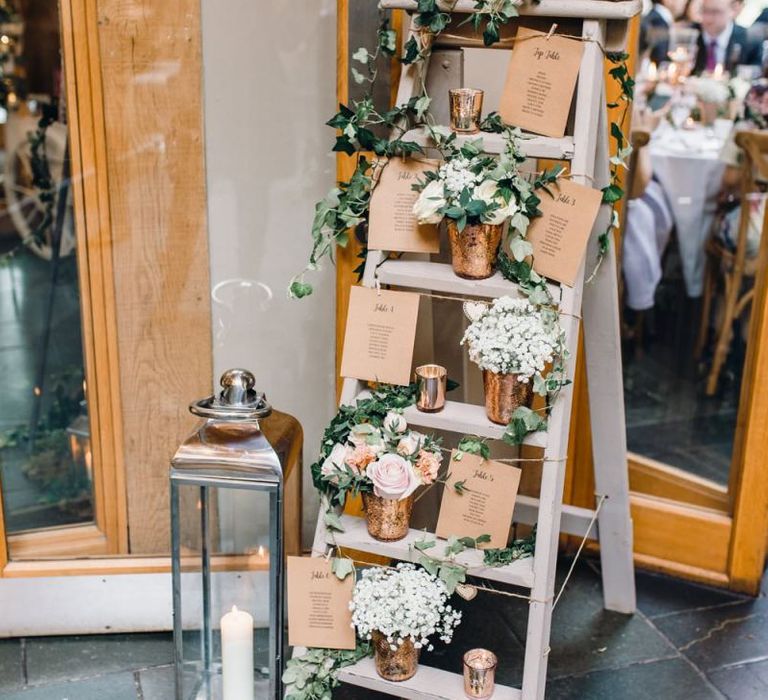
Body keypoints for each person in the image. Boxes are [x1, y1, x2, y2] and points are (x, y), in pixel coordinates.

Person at [693, 0, 761, 74]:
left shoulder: (751, 40)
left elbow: (756, 74)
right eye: (704, 10)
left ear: (733, 11)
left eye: (716, 12)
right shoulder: (688, 35)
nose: (708, 18)